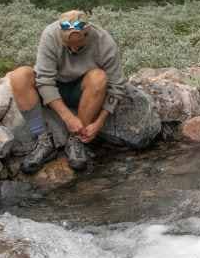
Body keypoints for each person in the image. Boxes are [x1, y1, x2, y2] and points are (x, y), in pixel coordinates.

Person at [8, 10, 126, 172]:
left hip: (82, 89)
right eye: (68, 46)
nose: (73, 50)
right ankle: (43, 139)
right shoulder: (50, 35)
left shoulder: (104, 41)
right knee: (19, 76)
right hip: (52, 88)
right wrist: (68, 117)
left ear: (87, 33)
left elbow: (117, 86)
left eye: (78, 45)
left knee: (99, 77)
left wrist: (99, 123)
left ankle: (77, 139)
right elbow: (44, 81)